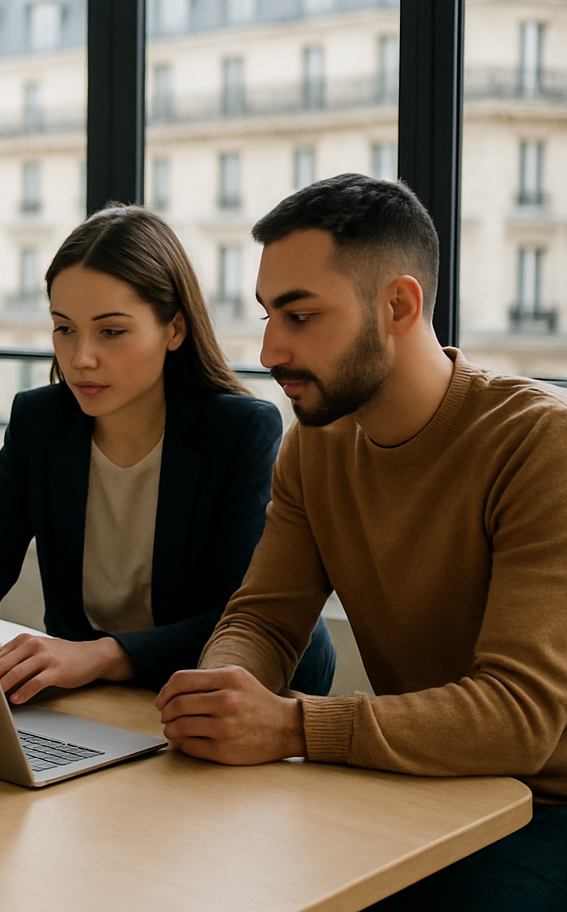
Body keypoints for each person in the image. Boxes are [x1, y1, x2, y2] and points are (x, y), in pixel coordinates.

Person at [155, 173, 567, 909]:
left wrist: (290, 724)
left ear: (399, 306)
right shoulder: (313, 447)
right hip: (421, 789)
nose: (270, 348)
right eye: (267, 315)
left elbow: (518, 718)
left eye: (300, 316)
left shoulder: (540, 445)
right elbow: (261, 619)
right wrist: (224, 696)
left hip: (546, 806)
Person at [0, 205, 336, 697]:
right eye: (64, 328)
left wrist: (100, 655)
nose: (81, 358)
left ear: (175, 330)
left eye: (111, 331)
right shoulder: (40, 423)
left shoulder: (239, 430)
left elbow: (240, 622)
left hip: (251, 692)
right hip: (103, 695)